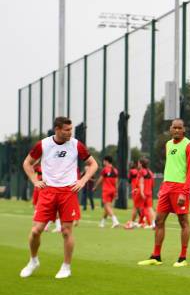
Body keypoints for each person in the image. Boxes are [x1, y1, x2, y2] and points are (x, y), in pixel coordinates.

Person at [20, 116, 98, 279]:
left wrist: (83, 180)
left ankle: (66, 267)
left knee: (66, 231)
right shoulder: (43, 144)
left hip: (68, 192)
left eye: (71, 129)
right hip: (47, 192)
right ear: (57, 129)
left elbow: (93, 164)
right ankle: (33, 261)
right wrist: (35, 180)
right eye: (67, 130)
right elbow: (27, 163)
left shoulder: (76, 145)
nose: (70, 132)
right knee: (35, 231)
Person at [138, 119, 190, 267]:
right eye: (174, 128)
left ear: (184, 130)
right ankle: (156, 256)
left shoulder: (189, 145)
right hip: (166, 188)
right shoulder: (168, 144)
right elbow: (170, 166)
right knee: (159, 221)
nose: (176, 130)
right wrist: (163, 186)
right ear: (170, 129)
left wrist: (184, 191)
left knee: (183, 222)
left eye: (179, 128)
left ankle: (183, 258)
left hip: (180, 188)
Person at [94, 156, 120, 228]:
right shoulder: (115, 170)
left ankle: (115, 221)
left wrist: (95, 187)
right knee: (107, 207)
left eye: (104, 161)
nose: (103, 162)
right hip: (113, 190)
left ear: (106, 161)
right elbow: (116, 182)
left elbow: (100, 179)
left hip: (106, 190)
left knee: (107, 206)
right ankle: (102, 222)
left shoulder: (105, 170)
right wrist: (116, 192)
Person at [138, 157, 156, 229]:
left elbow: (141, 183)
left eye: (139, 163)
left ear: (141, 164)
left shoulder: (141, 171)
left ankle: (144, 222)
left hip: (144, 192)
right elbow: (153, 184)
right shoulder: (150, 172)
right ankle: (153, 223)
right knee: (149, 208)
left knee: (140, 208)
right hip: (149, 192)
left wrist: (142, 192)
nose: (138, 164)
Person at [125, 161, 143, 229]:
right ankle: (141, 219)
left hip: (135, 190)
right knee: (139, 206)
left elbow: (129, 181)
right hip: (140, 189)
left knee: (136, 206)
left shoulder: (131, 171)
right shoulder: (138, 171)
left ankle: (135, 221)